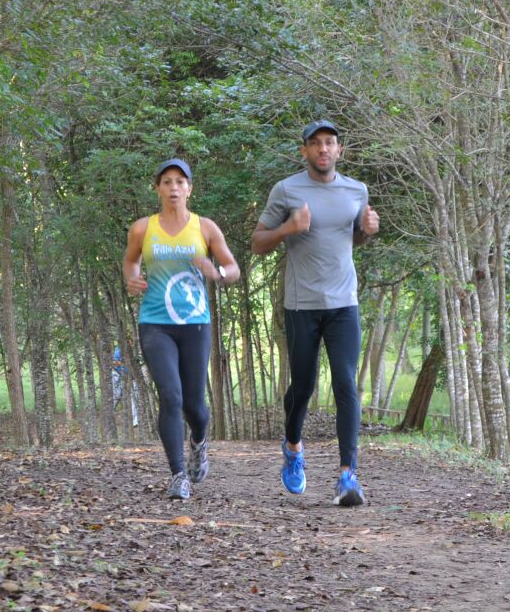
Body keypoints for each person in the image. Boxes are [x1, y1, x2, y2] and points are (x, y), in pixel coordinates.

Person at [251, 120, 379, 507]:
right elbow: (258, 243)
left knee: (345, 384)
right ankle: (292, 446)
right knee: (302, 387)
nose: (323, 149)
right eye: (316, 143)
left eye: (330, 142)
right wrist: (288, 228)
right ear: (304, 151)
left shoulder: (357, 190)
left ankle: (347, 476)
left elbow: (351, 238)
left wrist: (366, 231)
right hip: (301, 304)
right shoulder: (286, 190)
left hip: (344, 303)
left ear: (340, 150)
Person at [123, 158, 240, 501]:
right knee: (170, 396)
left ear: (189, 188)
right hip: (155, 322)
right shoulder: (142, 228)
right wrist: (132, 279)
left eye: (180, 182)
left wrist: (217, 272)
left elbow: (233, 268)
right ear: (158, 189)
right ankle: (178, 475)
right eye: (167, 182)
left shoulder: (205, 228)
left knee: (194, 406)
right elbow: (131, 260)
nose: (173, 187)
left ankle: (199, 442)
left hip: (195, 324)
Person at [111, 346, 139, 427]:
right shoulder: (118, 350)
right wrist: (125, 363)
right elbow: (114, 362)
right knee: (116, 397)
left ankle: (135, 420)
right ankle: (109, 418)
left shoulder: (136, 348)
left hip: (132, 376)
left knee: (135, 396)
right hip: (119, 375)